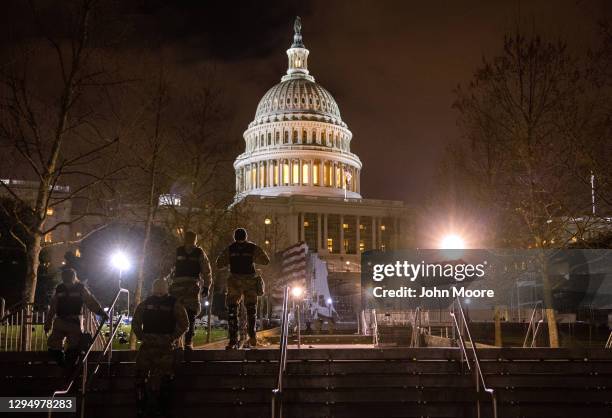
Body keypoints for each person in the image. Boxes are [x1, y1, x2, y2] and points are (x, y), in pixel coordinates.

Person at [132, 278, 189, 418]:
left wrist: (171, 338)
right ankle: (145, 407)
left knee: (164, 379)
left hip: (162, 347)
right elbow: (136, 322)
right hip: (154, 345)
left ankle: (159, 408)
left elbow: (184, 324)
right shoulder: (147, 303)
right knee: (141, 377)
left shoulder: (172, 303)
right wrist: (143, 336)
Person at [216, 228, 270, 349]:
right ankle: (252, 335)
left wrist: (231, 260)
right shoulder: (252, 248)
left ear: (234, 237)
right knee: (251, 309)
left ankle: (232, 339)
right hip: (250, 280)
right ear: (246, 237)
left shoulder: (230, 248)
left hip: (234, 280)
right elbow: (266, 261)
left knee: (232, 310)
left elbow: (219, 263)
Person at [44, 268, 107, 368]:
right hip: (74, 322)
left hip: (62, 321)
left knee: (56, 346)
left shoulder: (59, 289)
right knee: (71, 347)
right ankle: (68, 367)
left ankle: (65, 366)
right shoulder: (80, 288)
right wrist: (101, 312)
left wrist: (48, 324)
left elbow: (53, 307)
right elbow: (90, 301)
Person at [169, 231, 212, 351]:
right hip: (192, 287)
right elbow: (206, 271)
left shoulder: (178, 251)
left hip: (177, 287)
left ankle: (177, 342)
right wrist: (206, 287)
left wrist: (164, 284)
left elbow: (168, 267)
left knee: (177, 315)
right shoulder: (199, 253)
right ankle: (188, 342)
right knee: (190, 314)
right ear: (195, 240)